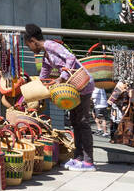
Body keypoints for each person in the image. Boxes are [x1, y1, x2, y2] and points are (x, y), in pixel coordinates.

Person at [7, 24, 96, 170]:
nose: (30, 49)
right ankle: (78, 157)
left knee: (82, 122)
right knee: (75, 122)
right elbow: (43, 76)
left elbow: (71, 58)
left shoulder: (50, 45)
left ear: (33, 40)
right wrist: (29, 94)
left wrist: (61, 78)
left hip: (84, 86)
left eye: (28, 45)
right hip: (75, 89)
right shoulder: (46, 57)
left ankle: (88, 161)